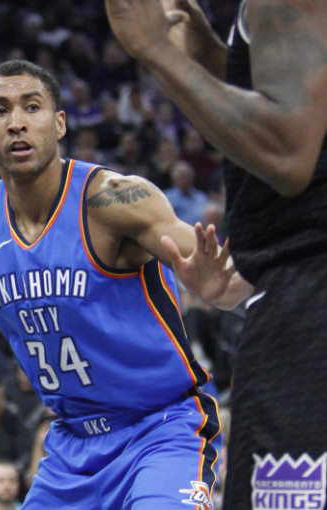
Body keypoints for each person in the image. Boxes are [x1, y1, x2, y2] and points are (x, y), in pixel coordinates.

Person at [0, 59, 247, 508]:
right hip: (72, 446)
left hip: (163, 427)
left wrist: (222, 290)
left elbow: (227, 277)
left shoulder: (114, 199)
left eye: (32, 107)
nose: (17, 123)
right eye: (1, 111)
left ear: (59, 123)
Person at [104, 1, 327, 507]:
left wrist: (155, 49)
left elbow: (289, 152)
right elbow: (298, 99)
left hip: (309, 300)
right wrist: (206, 52)